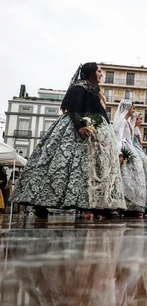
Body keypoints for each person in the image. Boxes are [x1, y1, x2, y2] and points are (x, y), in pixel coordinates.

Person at [10, 62, 125, 218]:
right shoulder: (79, 87)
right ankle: (40, 204)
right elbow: (74, 109)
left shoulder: (95, 90)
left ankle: (101, 204)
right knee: (60, 165)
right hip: (76, 127)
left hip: (96, 131)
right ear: (91, 72)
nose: (101, 74)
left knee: (98, 167)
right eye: (99, 71)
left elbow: (99, 112)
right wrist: (80, 126)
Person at [113, 100, 146, 216]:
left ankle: (131, 206)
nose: (134, 110)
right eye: (133, 108)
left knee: (133, 178)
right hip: (125, 147)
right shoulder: (122, 121)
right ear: (127, 109)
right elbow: (119, 138)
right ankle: (123, 205)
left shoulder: (127, 121)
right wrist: (120, 153)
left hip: (130, 148)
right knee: (125, 178)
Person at [129, 112, 147, 208]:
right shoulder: (131, 127)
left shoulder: (136, 128)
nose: (141, 121)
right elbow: (137, 141)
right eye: (140, 119)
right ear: (136, 119)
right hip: (133, 148)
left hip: (137, 148)